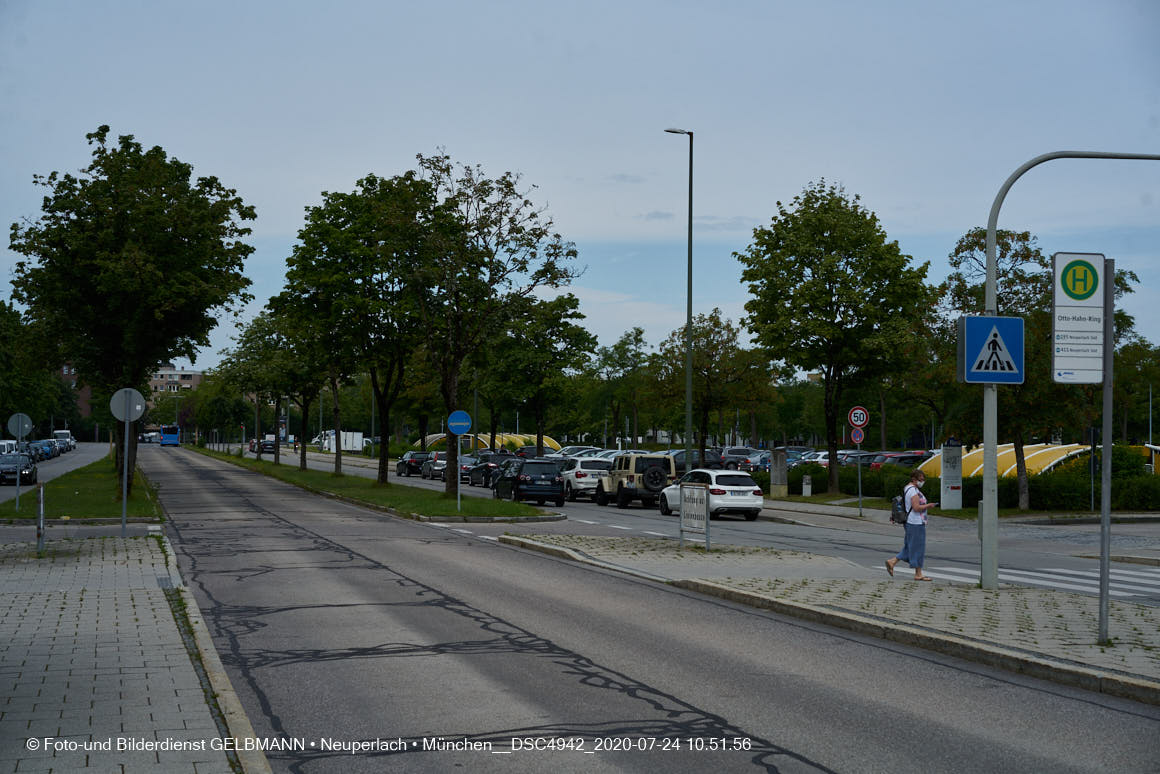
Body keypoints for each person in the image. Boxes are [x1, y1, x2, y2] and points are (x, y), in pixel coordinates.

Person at [886, 469, 938, 581]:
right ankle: (917, 573)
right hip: (915, 522)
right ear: (914, 479)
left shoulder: (908, 488)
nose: (922, 482)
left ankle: (893, 562)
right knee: (918, 547)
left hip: (912, 522)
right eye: (920, 480)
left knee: (910, 546)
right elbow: (916, 508)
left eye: (923, 480)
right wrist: (929, 505)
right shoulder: (913, 491)